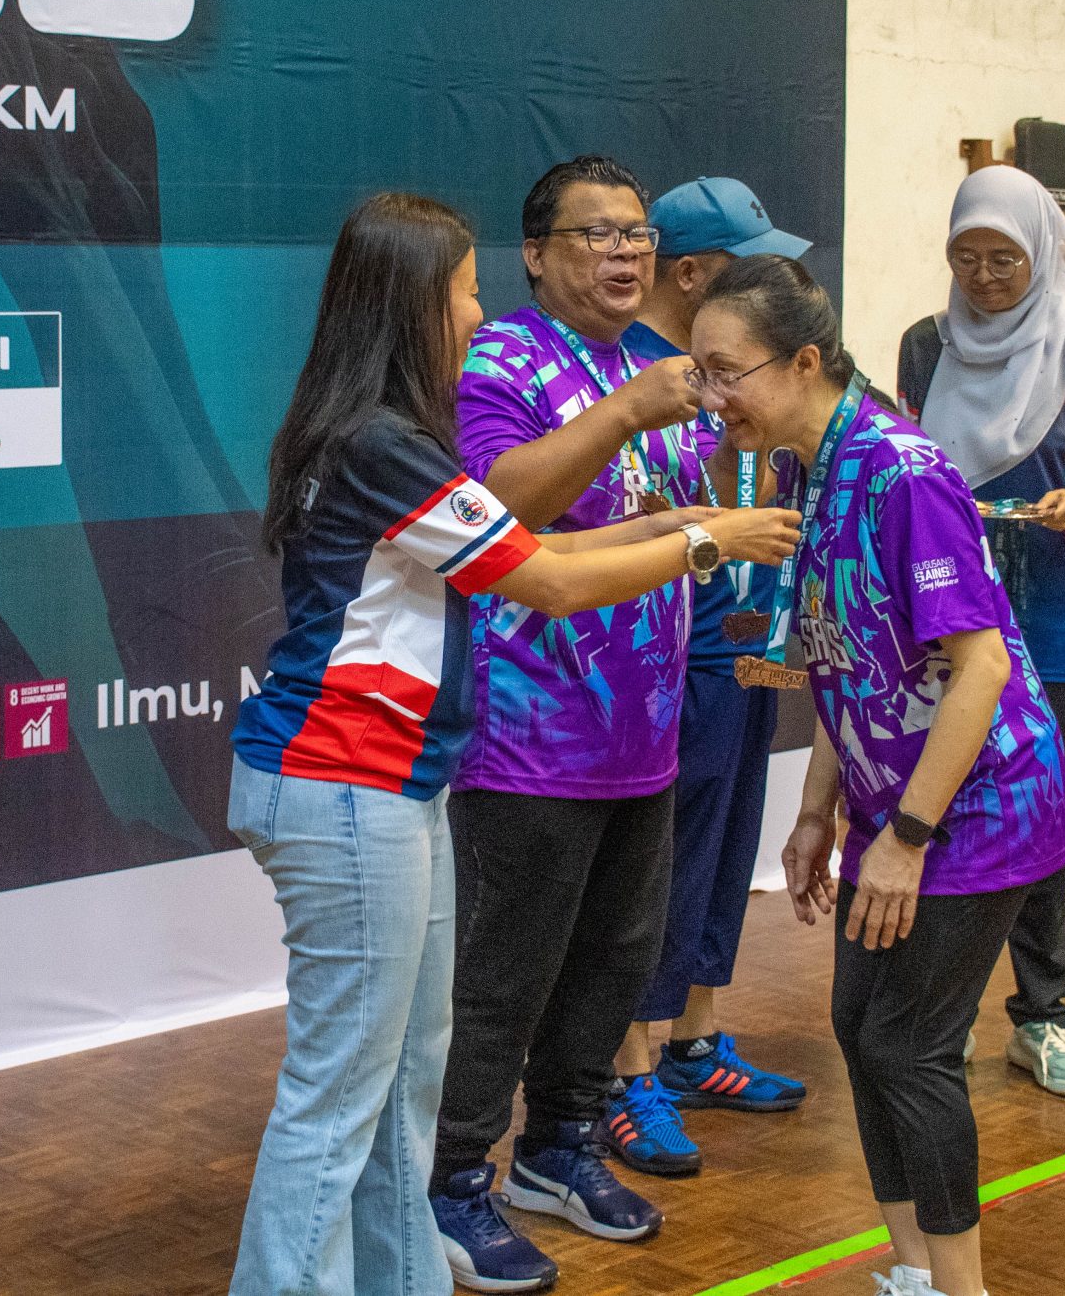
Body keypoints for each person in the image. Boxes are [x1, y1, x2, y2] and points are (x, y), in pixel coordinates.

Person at [225, 192, 798, 1296]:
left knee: (406, 1080)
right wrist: (705, 542)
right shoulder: (383, 446)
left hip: (390, 785)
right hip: (342, 780)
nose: (476, 315)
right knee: (339, 1098)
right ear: (410, 305)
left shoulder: (383, 437)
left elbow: (535, 541)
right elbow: (546, 580)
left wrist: (681, 527)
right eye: (463, 293)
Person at [699, 254, 1065, 1296]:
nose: (713, 396)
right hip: (893, 806)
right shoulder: (808, 468)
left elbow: (980, 669)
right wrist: (817, 812)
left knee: (910, 1046)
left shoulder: (903, 472)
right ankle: (913, 1270)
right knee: (860, 1032)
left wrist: (905, 840)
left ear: (803, 361)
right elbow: (848, 657)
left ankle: (962, 1287)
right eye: (702, 373)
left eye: (728, 371)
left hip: (978, 808)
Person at [430, 156, 714, 1294]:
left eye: (637, 232)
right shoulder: (500, 359)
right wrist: (624, 413)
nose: (625, 252)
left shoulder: (654, 362)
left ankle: (559, 1148)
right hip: (526, 740)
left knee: (612, 965)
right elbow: (500, 511)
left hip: (646, 734)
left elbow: (662, 522)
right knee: (504, 978)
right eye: (596, 234)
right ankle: (453, 1182)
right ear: (536, 254)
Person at [896, 165, 1065, 1100]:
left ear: (1042, 254)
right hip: (948, 603)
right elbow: (909, 457)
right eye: (968, 256)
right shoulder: (927, 345)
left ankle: (1042, 1015)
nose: (986, 276)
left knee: (1047, 815)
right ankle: (941, 1007)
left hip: (1057, 607)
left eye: (1005, 258)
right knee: (939, 799)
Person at [601, 177, 814, 1180]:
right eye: (746, 265)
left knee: (726, 856)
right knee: (658, 869)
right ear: (688, 274)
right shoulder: (634, 382)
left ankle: (692, 1039)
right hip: (666, 661)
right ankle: (625, 1070)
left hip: (747, 650)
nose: (770, 283)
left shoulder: (736, 378)